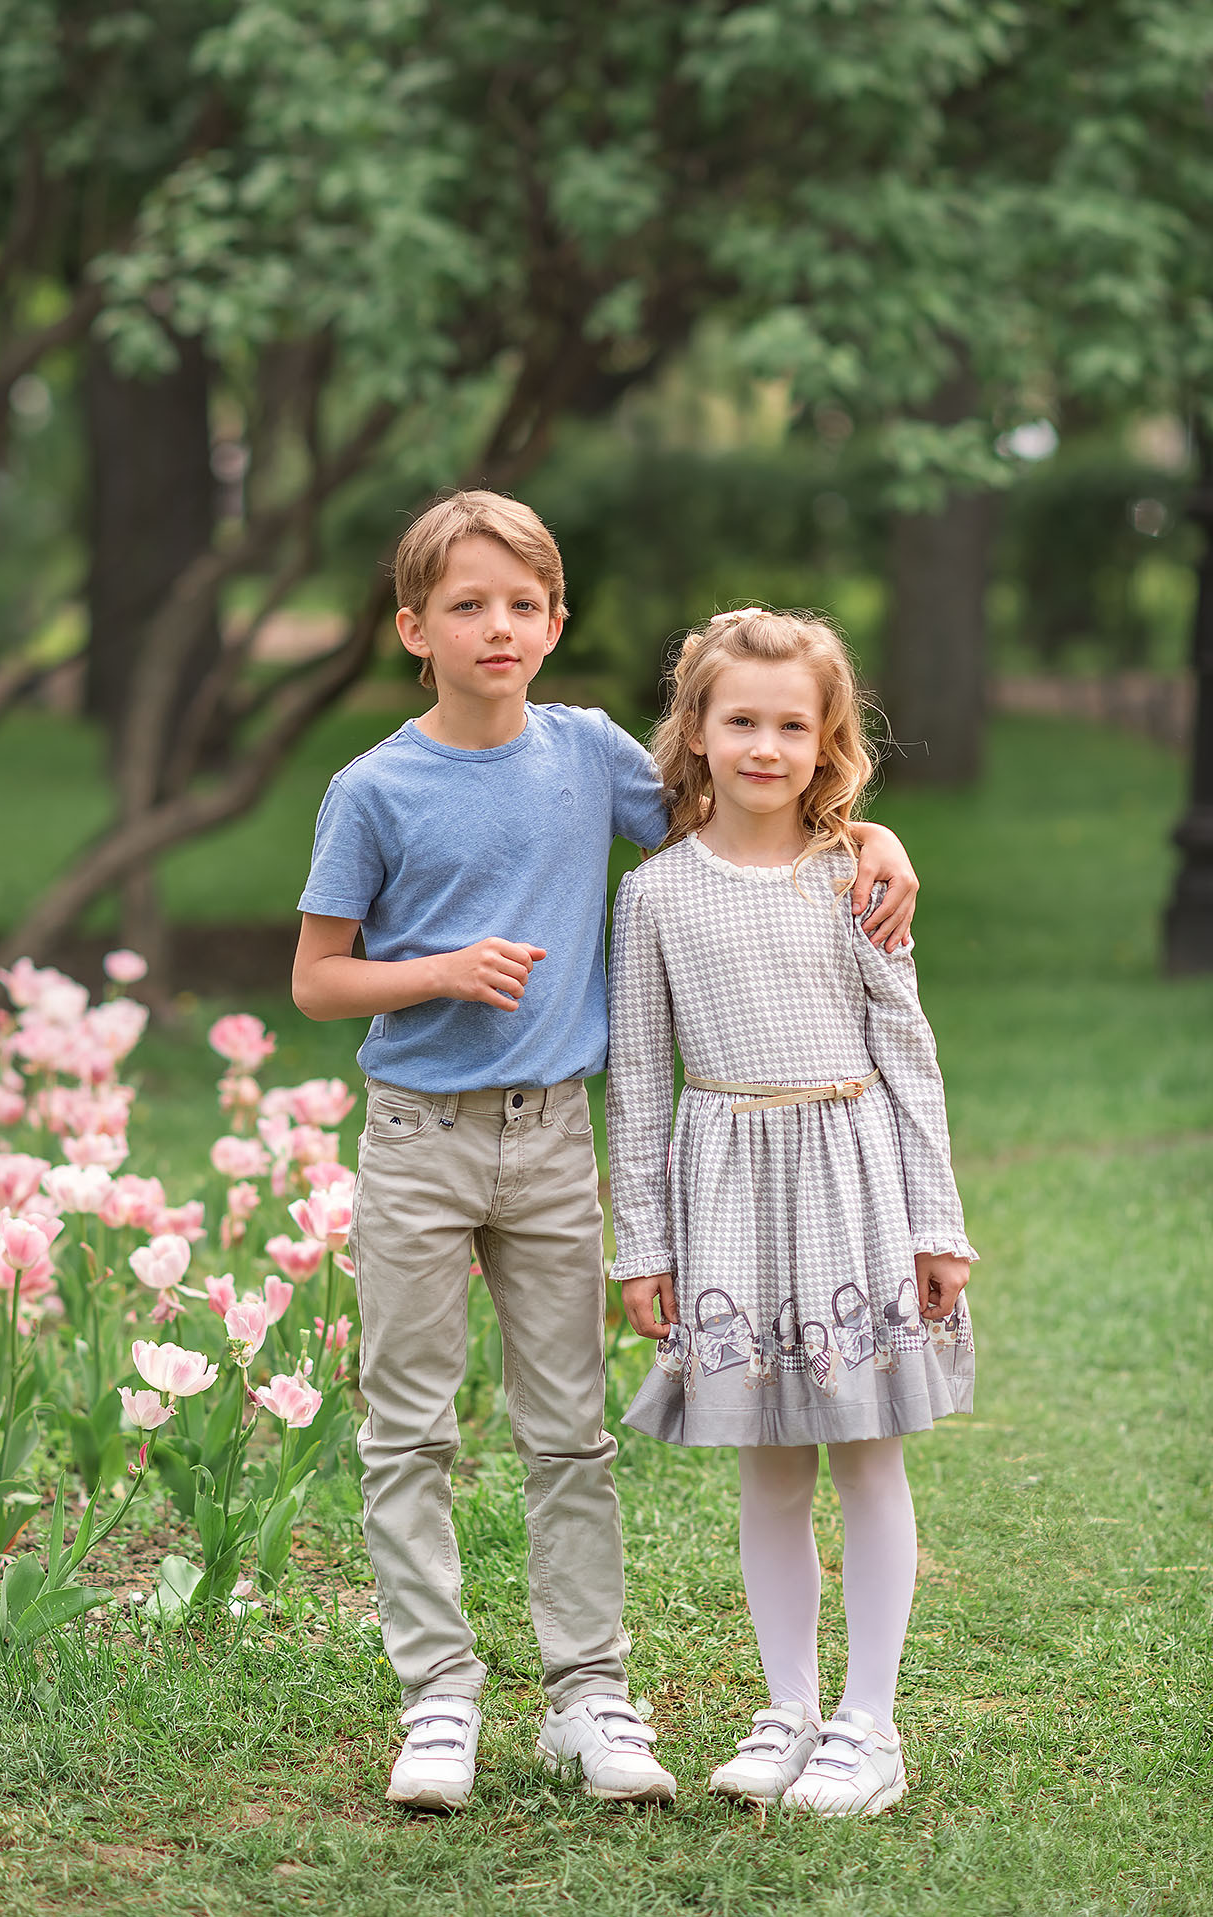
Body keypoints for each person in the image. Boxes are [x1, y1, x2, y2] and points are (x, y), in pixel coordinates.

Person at [292, 498, 921, 1812]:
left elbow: (736, 808)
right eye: (467, 605)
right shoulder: (373, 789)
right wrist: (440, 973)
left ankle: (588, 1696)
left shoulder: (585, 752)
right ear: (412, 629)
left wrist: (870, 833)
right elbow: (317, 980)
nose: (498, 627)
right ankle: (439, 1698)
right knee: (408, 1430)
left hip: (549, 1141)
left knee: (567, 1434)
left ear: (555, 622)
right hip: (417, 1140)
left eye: (522, 605)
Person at [607, 607, 976, 1819]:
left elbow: (908, 1053)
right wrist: (643, 1244)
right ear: (695, 733)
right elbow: (637, 1080)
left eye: (789, 725)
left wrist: (934, 1223)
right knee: (767, 1467)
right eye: (739, 722)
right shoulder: (653, 896)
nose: (763, 747)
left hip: (850, 1180)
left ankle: (869, 1725)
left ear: (826, 741)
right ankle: (788, 1711)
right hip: (725, 1190)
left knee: (865, 1455)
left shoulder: (853, 879)